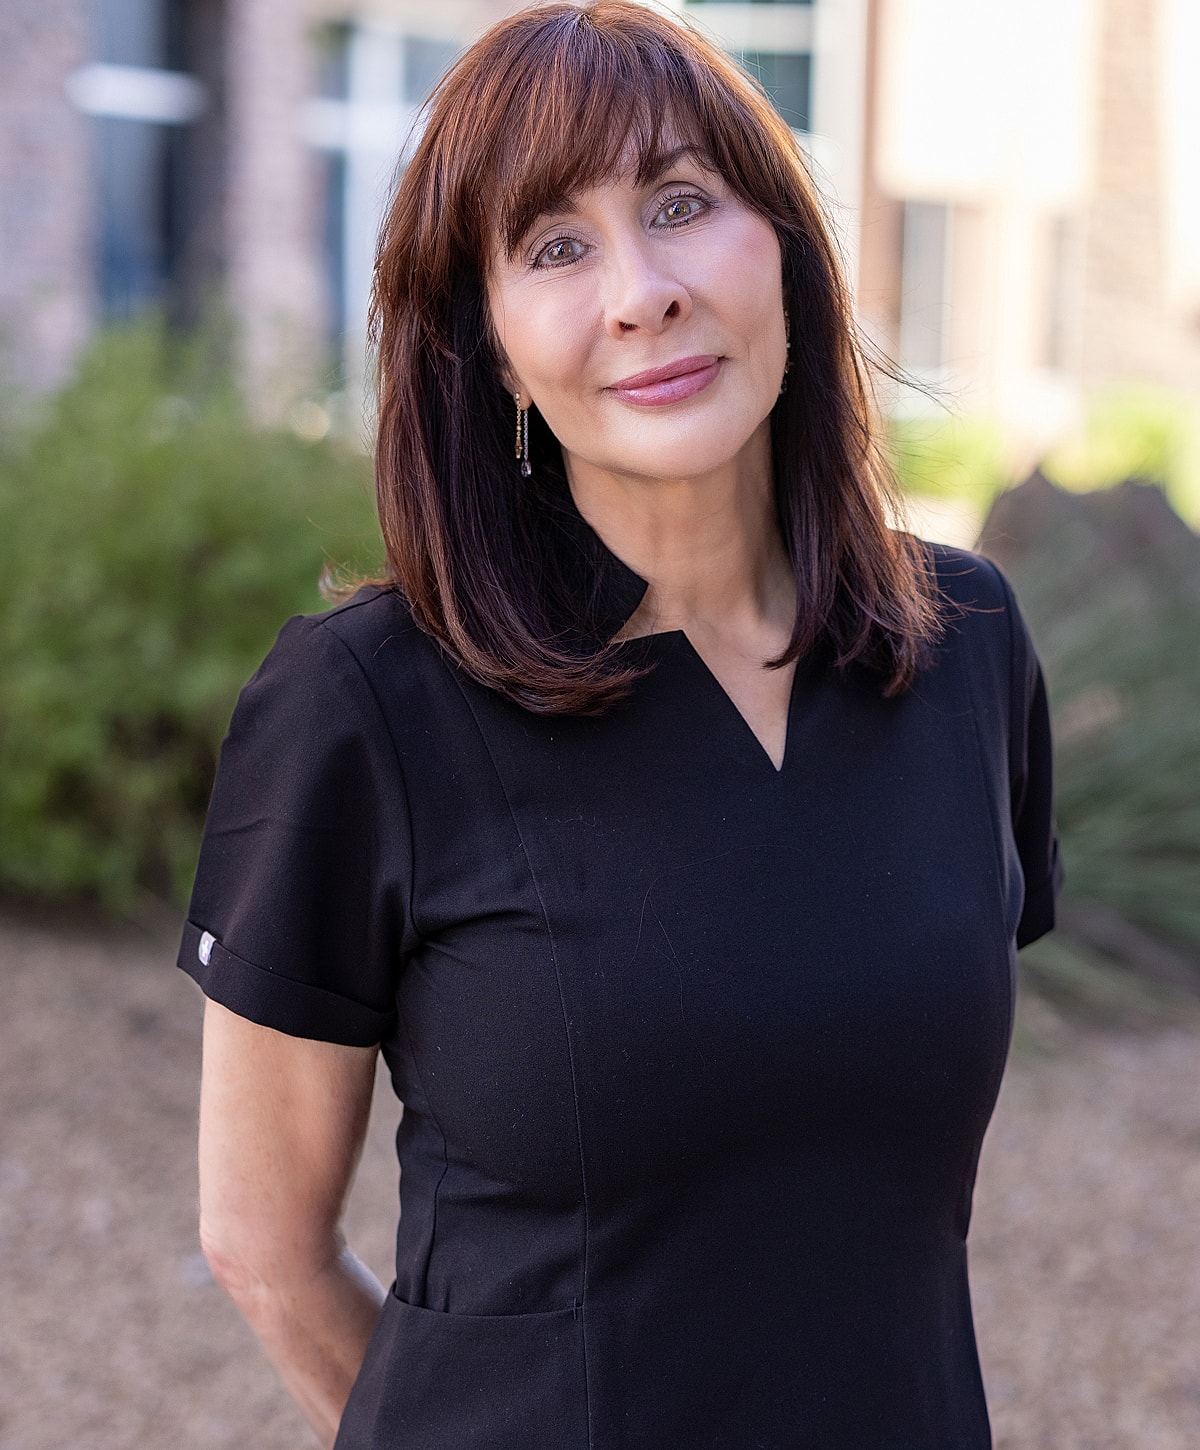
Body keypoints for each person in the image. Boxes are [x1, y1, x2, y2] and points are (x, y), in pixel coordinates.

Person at [180, 3, 1062, 1447]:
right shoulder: (365, 705)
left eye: (681, 204)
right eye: (554, 248)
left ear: (785, 243)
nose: (642, 293)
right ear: (491, 348)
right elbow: (261, 1247)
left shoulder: (963, 646)